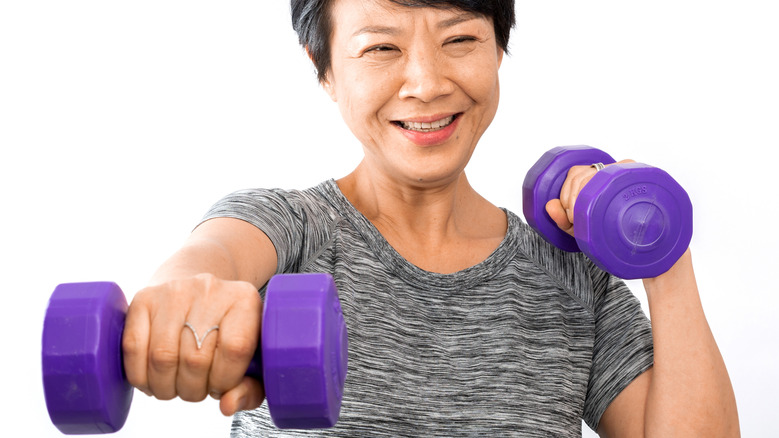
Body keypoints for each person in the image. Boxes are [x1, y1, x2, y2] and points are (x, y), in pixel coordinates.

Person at [122, 0, 740, 436]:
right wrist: (183, 294)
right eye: (381, 47)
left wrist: (662, 257)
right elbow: (214, 256)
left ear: (499, 48)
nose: (425, 82)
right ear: (324, 68)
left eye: (460, 39)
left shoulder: (573, 279)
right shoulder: (291, 229)